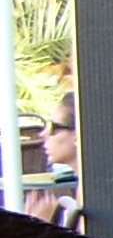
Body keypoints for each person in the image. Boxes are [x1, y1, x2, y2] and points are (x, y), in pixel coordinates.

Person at [24, 94, 80, 228]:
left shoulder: (96, 196)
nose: (43, 134)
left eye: (53, 127)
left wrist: (40, 227)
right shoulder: (88, 188)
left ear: (78, 135)